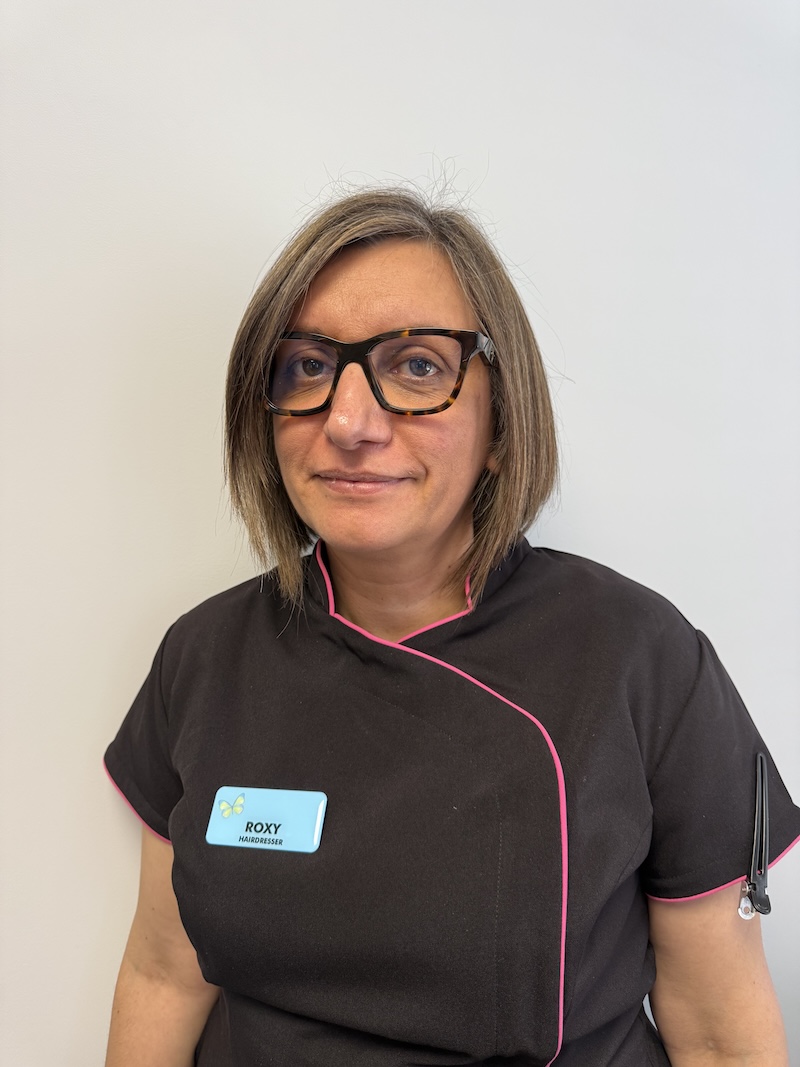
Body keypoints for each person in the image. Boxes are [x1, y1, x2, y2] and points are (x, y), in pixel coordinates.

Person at [104, 187, 800, 1067]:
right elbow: (165, 973)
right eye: (307, 368)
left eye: (418, 367)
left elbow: (716, 1027)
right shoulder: (204, 659)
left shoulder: (639, 659)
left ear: (502, 423)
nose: (350, 422)